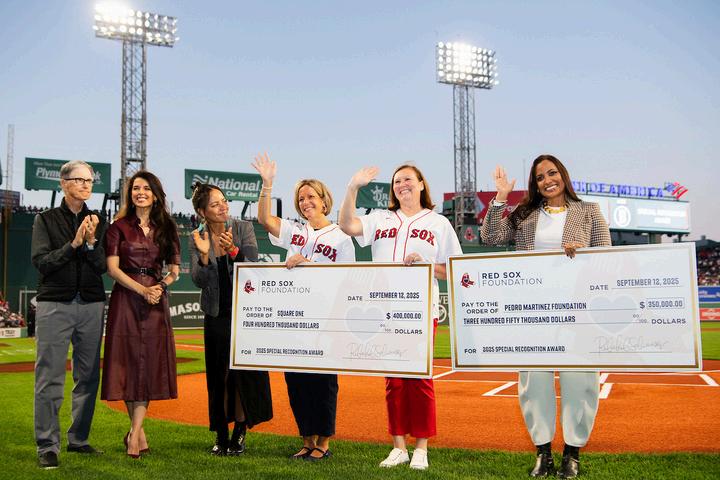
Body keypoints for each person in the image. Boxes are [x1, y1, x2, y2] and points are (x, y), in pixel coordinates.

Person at [480, 154, 612, 479]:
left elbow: (607, 261)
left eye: (552, 173)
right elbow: (490, 237)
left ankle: (572, 453)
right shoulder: (525, 213)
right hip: (533, 312)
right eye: (540, 177)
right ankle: (543, 453)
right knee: (534, 381)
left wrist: (584, 253)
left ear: (563, 175)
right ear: (535, 184)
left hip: (577, 310)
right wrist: (500, 198)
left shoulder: (589, 211)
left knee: (580, 381)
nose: (547, 180)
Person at [339, 163, 461, 471]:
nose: (401, 184)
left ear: (421, 184)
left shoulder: (438, 223)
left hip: (421, 309)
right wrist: (353, 187)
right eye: (396, 181)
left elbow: (456, 271)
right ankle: (398, 447)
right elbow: (346, 226)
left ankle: (421, 447)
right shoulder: (381, 218)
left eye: (407, 179)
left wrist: (427, 265)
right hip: (384, 310)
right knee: (393, 381)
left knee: (420, 378)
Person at [252, 153, 355, 461]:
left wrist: (309, 263)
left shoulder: (341, 236)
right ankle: (307, 440)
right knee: (295, 381)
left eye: (311, 196)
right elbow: (265, 220)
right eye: (300, 198)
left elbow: (347, 280)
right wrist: (267, 184)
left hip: (325, 318)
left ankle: (323, 442)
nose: (306, 202)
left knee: (323, 382)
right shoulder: (296, 232)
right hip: (294, 318)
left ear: (324, 201)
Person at [31, 160, 107, 469]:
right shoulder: (45, 219)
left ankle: (79, 439)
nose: (86, 185)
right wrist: (73, 244)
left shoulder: (99, 220)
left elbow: (102, 266)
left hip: (91, 303)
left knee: (88, 377)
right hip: (55, 304)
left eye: (89, 181)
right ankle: (48, 445)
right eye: (79, 179)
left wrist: (90, 243)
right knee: (49, 377)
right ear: (63, 183)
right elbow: (42, 262)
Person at [100, 171, 181, 458]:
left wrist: (159, 287)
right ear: (130, 194)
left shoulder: (167, 228)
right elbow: (113, 269)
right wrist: (142, 290)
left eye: (146, 188)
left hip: (155, 301)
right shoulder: (117, 227)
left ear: (156, 195)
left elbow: (174, 271)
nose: (141, 192)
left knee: (148, 364)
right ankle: (137, 434)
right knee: (128, 363)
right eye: (136, 188)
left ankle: (134, 433)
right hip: (126, 298)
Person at [189, 182, 273, 456]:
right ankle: (221, 433)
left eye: (224, 201)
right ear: (202, 211)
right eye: (215, 204)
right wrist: (204, 255)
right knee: (219, 377)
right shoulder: (197, 236)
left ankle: (240, 430)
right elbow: (198, 280)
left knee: (242, 376)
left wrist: (234, 251)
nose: (223, 207)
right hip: (216, 316)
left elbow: (253, 265)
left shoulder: (242, 228)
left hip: (244, 314)